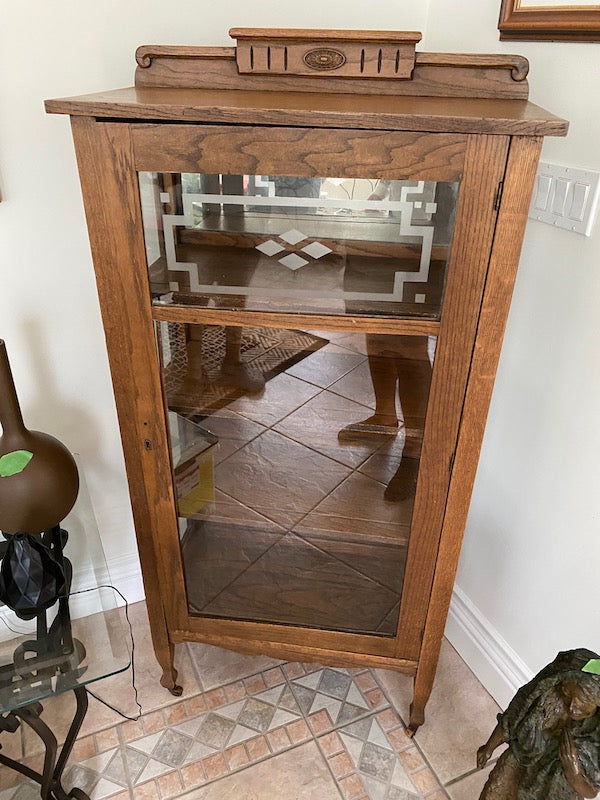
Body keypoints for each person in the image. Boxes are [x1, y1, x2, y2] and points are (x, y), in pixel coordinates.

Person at [477, 649, 600, 800]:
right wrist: (489, 747)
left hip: (554, 788)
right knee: (496, 789)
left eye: (584, 707)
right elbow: (514, 718)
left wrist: (573, 773)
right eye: (568, 696)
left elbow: (591, 791)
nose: (573, 709)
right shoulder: (547, 700)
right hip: (523, 759)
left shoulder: (594, 738)